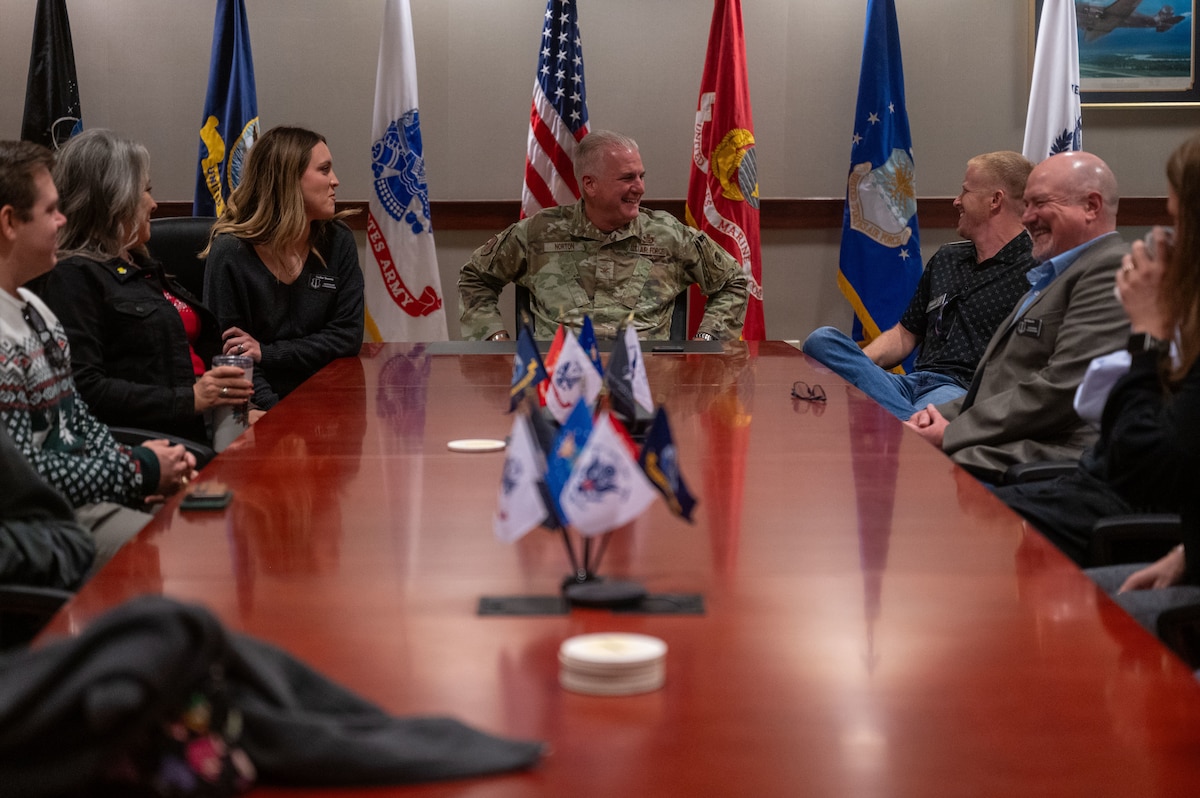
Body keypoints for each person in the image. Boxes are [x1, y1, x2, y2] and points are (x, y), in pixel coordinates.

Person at [994, 133, 1200, 589]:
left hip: (1124, 502)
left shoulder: (1110, 270)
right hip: (1108, 491)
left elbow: (1148, 466)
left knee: (979, 546)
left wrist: (1149, 334)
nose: (1172, 238)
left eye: (1181, 222)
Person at [0, 140, 195, 565]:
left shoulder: (34, 309)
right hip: (37, 524)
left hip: (85, 493)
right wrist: (137, 470)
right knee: (184, 550)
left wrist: (140, 465)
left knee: (212, 527)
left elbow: (78, 422)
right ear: (10, 222)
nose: (62, 221)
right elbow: (23, 477)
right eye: (51, 210)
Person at [905, 151, 1130, 482]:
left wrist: (951, 432)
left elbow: (1061, 389)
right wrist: (933, 414)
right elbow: (998, 384)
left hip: (1049, 461)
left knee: (914, 474)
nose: (1026, 218)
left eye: (1040, 203)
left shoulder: (1108, 270)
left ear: (1091, 207)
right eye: (1026, 205)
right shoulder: (1054, 273)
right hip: (1001, 446)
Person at [28, 129, 252, 446]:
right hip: (156, 446)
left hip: (213, 426)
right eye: (144, 191)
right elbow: (84, 389)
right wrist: (190, 399)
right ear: (113, 200)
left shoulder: (142, 267)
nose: (154, 203)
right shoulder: (72, 277)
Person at [803, 151, 1037, 420]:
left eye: (965, 191)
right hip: (909, 384)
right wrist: (860, 370)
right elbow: (905, 334)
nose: (956, 201)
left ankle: (914, 424)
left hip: (963, 392)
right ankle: (914, 424)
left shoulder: (1034, 268)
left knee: (930, 411)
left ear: (995, 200)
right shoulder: (948, 258)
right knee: (822, 341)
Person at [458, 129, 748, 342]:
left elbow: (732, 282)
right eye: (627, 178)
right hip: (558, 382)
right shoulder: (538, 233)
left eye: (641, 176)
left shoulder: (668, 234)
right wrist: (494, 340)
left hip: (650, 382)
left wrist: (708, 339)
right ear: (590, 185)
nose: (640, 188)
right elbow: (475, 278)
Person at [203, 126, 364, 411]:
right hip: (253, 406)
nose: (335, 181)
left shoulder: (338, 240)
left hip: (328, 404)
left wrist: (267, 352)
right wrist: (274, 413)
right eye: (324, 170)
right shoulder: (230, 252)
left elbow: (347, 338)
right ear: (289, 180)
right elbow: (234, 356)